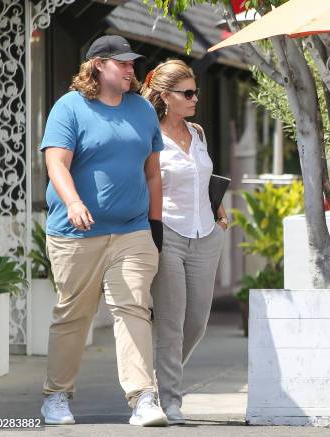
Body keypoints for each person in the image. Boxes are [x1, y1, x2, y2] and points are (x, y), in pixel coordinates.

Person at [40, 35, 168, 427]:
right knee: (73, 315)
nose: (132, 69)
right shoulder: (70, 108)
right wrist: (75, 202)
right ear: (98, 65)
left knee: (132, 309)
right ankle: (56, 396)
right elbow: (56, 163)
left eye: (134, 64)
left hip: (132, 231)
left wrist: (155, 225)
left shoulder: (142, 111)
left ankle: (143, 397)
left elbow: (152, 173)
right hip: (76, 234)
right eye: (124, 64)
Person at [140, 60, 226, 425]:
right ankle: (170, 400)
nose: (195, 99)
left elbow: (202, 178)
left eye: (196, 92)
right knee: (172, 322)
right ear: (164, 96)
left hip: (206, 233)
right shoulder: (149, 136)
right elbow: (145, 183)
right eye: (187, 93)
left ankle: (159, 384)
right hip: (168, 233)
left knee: (196, 323)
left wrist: (220, 212)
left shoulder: (198, 132)